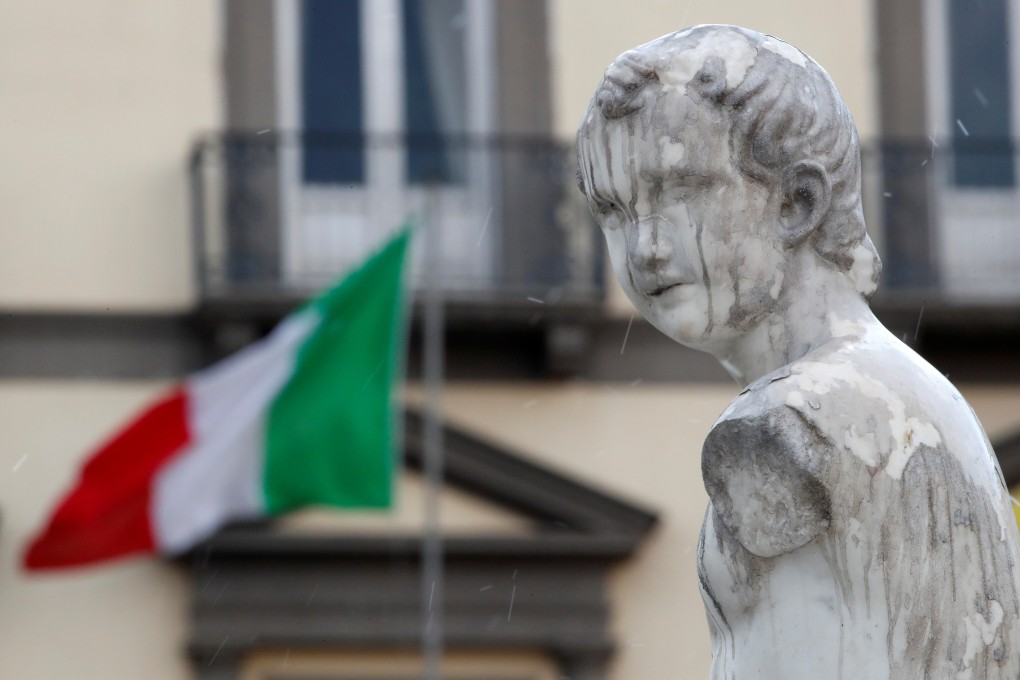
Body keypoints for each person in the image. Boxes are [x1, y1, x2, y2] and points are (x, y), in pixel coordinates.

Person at [577, 24, 1020, 678]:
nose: (644, 246)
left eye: (681, 193)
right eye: (614, 210)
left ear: (797, 201)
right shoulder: (904, 391)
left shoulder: (786, 422)